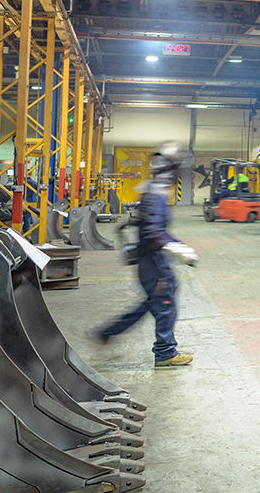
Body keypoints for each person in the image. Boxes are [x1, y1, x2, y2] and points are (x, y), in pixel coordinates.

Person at [97, 142, 197, 367]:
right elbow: (153, 233)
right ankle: (165, 352)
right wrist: (176, 249)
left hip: (150, 261)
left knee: (153, 303)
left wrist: (178, 245)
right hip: (154, 262)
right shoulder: (155, 194)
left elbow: (158, 230)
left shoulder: (152, 191)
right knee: (165, 302)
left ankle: (107, 332)